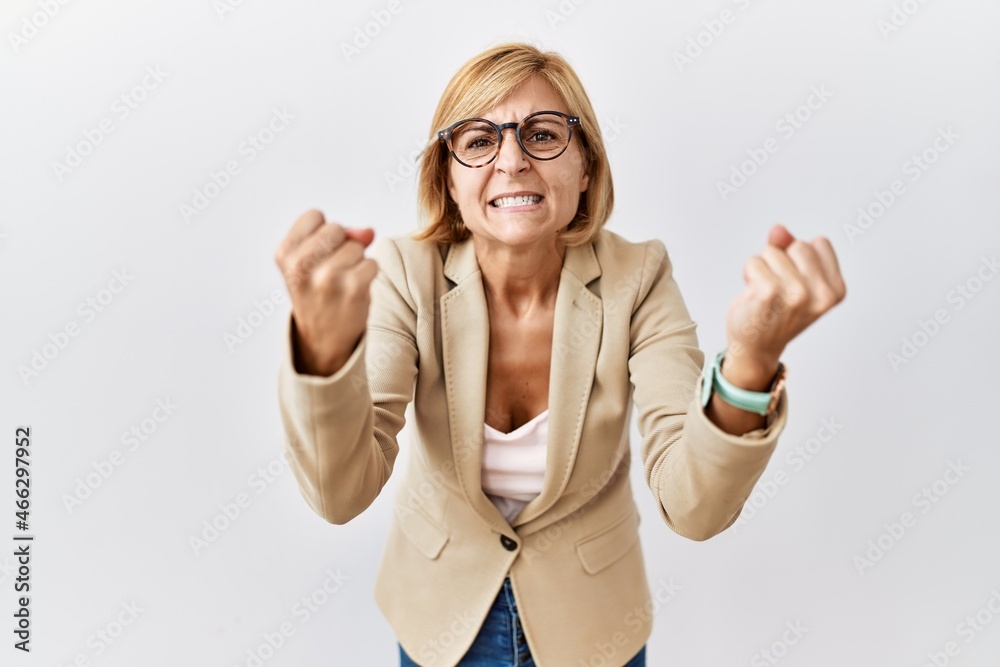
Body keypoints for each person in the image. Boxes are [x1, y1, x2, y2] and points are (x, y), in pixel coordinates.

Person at [273, 42, 846, 667]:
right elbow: (341, 495)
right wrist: (324, 356)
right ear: (448, 178)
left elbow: (694, 506)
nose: (513, 161)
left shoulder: (640, 277)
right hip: (441, 622)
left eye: (542, 134)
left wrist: (752, 362)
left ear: (587, 169)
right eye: (478, 140)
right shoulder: (406, 275)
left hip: (593, 628)